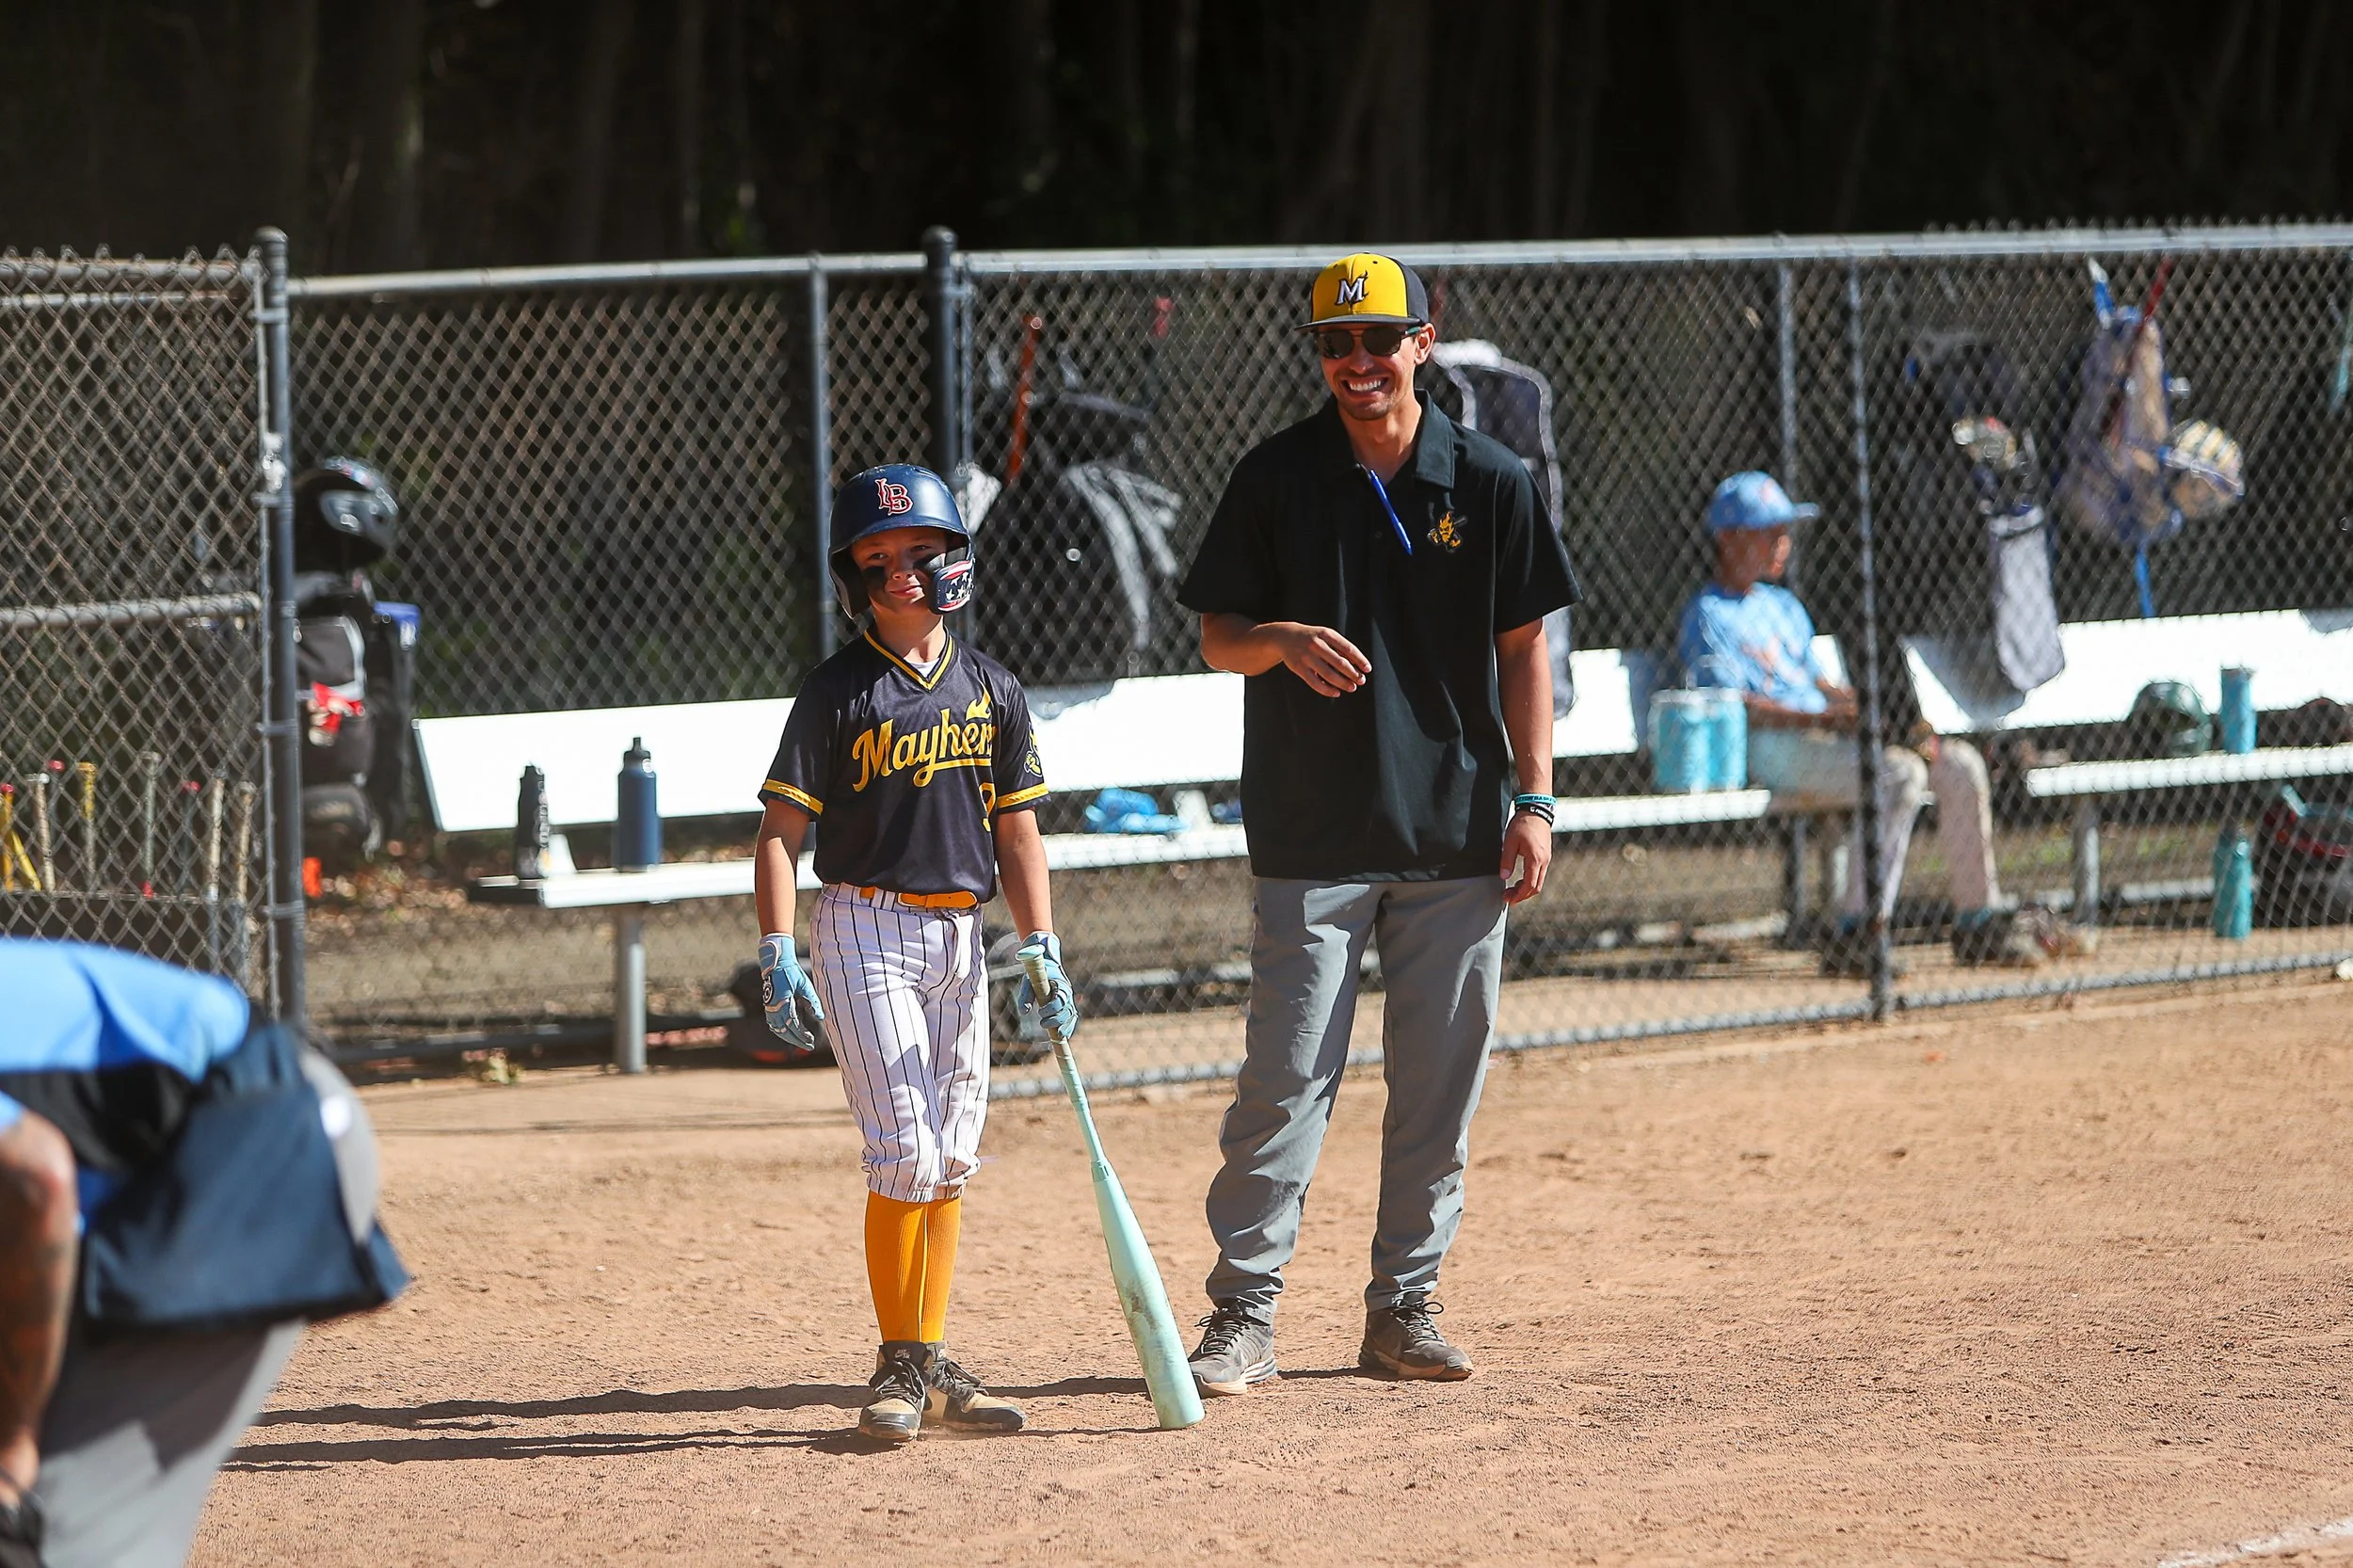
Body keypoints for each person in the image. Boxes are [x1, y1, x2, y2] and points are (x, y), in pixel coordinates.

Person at [1174, 253, 1580, 1394]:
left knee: (1437, 1087)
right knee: (1284, 1082)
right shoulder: (1275, 477)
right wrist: (1282, 641)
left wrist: (1535, 801)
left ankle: (1403, 1308)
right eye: (1334, 345)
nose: (1356, 363)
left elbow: (1523, 652)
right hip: (1311, 834)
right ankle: (1243, 1315)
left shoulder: (1490, 480)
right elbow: (1216, 635)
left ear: (1423, 339)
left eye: (1378, 340)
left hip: (1455, 834)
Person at [752, 463, 1076, 1444]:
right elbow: (777, 833)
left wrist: (1043, 946)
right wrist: (776, 948)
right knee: (903, 1151)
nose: (902, 572)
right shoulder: (836, 691)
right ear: (851, 577)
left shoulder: (992, 688)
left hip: (962, 937)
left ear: (956, 557)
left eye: (921, 551)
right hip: (865, 928)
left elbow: (1018, 834)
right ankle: (901, 1362)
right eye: (878, 558)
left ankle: (924, 1358)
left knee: (950, 1161)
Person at [0, 939, 404, 1568]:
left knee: (48, 1519)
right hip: (161, 1155)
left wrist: (14, 1440)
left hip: (250, 1139)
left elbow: (35, 1181)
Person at [1677, 471, 2036, 973]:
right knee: (1897, 775)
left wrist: (1880, 711)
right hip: (1771, 746)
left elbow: (1818, 683)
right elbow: (1735, 703)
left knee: (1960, 767)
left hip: (1823, 738)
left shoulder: (1783, 606)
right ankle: (1859, 931)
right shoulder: (1707, 613)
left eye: (1785, 532)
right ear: (1728, 538)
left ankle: (1978, 920)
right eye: (1768, 532)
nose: (1782, 544)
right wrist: (1826, 716)